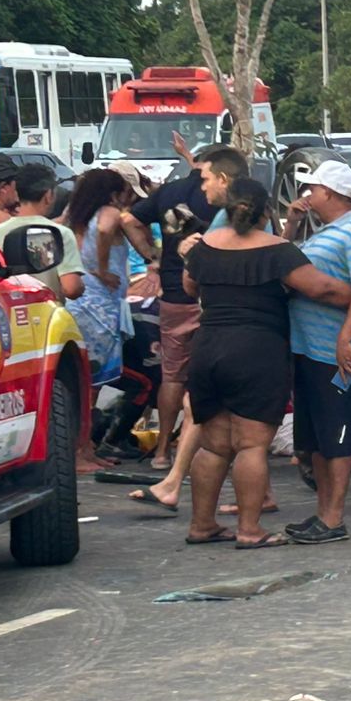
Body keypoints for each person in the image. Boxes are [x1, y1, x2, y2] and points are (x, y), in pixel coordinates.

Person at [180, 179, 351, 549]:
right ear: (265, 211)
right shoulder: (277, 251)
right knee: (251, 445)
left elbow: (191, 287)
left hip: (206, 348)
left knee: (214, 444)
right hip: (256, 351)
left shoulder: (205, 247)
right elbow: (321, 289)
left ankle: (202, 524)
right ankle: (250, 530)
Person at [282, 160, 351, 545]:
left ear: (329, 193)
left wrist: (346, 336)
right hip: (310, 348)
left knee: (336, 437)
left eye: (313, 190)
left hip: (332, 352)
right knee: (319, 440)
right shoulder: (330, 230)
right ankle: (323, 512)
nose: (308, 196)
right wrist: (291, 225)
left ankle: (333, 516)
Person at [130, 145, 248, 468]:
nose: (205, 184)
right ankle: (222, 447)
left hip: (176, 295)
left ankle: (162, 451)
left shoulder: (171, 194)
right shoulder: (242, 204)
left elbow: (129, 219)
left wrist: (151, 256)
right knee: (220, 376)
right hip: (220, 301)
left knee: (173, 374)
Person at [63, 169, 139, 471]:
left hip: (81, 301)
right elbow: (108, 229)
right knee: (91, 384)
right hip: (101, 305)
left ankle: (86, 447)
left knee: (83, 382)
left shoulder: (75, 216)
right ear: (112, 192)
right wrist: (104, 266)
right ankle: (80, 451)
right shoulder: (108, 211)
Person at [0, 163, 86, 301]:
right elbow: (71, 288)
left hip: (10, 313)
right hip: (47, 314)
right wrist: (81, 286)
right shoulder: (60, 233)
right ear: (48, 195)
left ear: (17, 194)